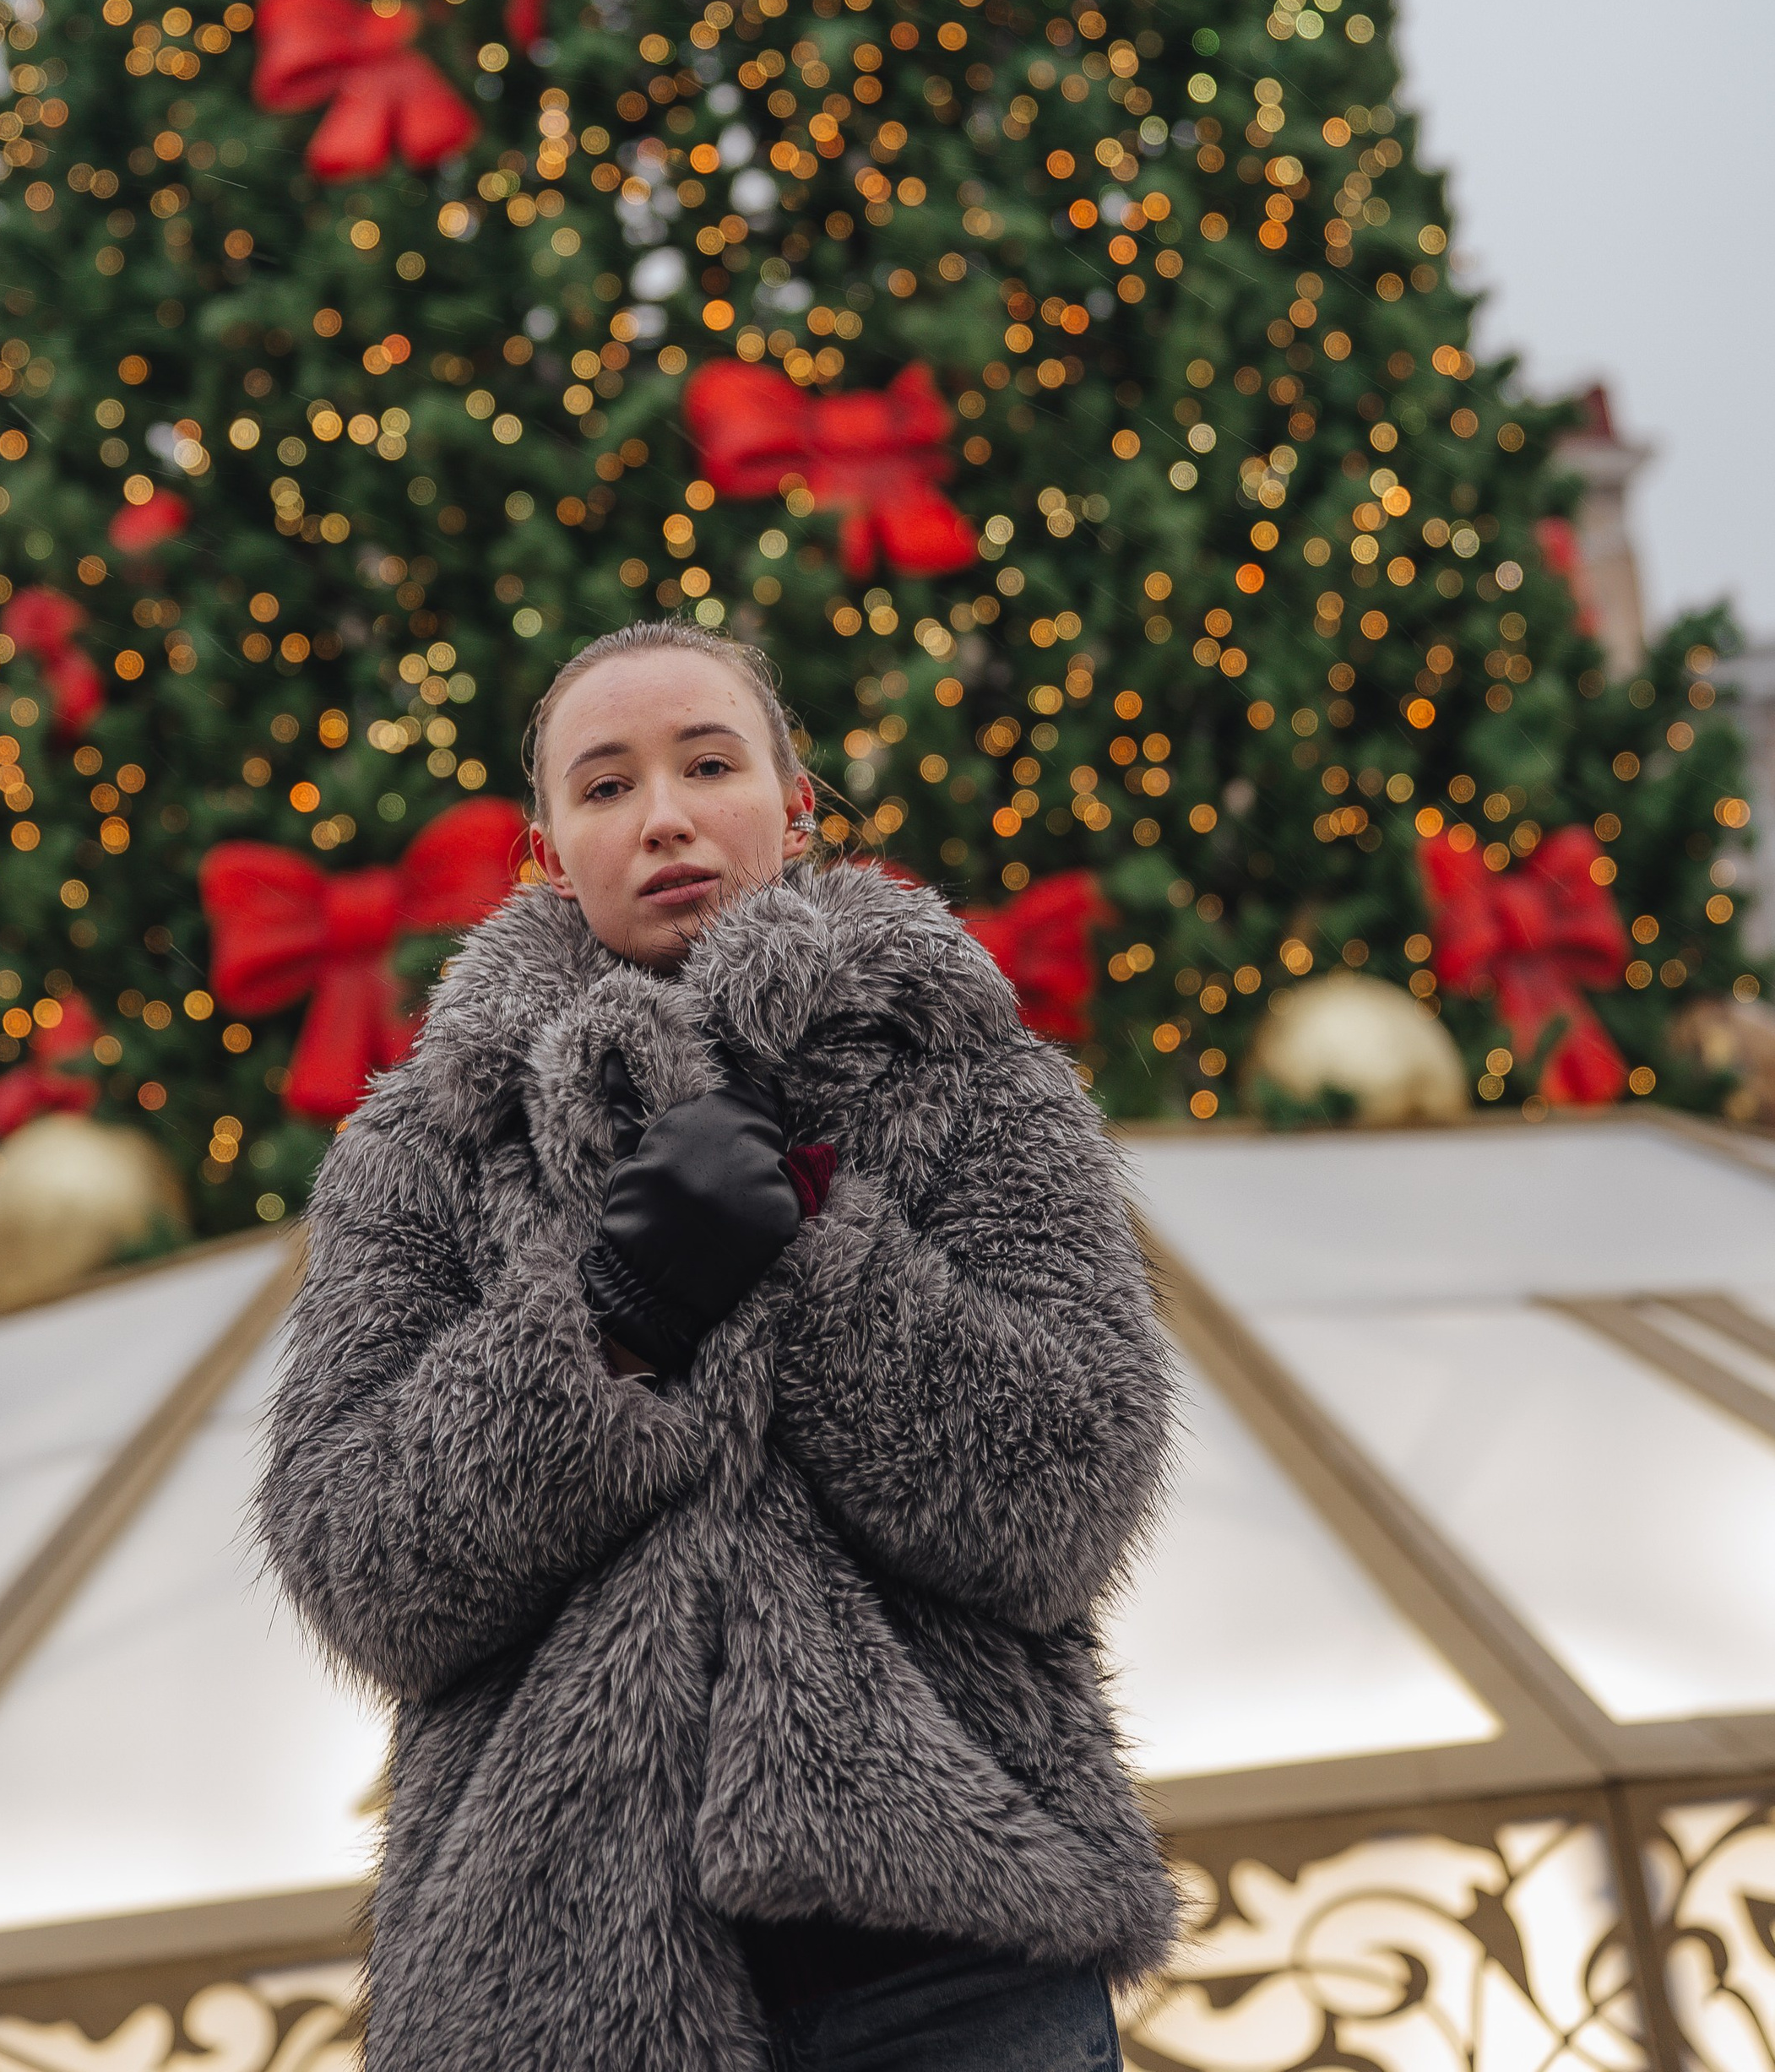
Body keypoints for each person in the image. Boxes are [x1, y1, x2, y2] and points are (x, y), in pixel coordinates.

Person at [259, 622, 1175, 2072]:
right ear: (547, 850)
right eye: (607, 786)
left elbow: (1061, 1500)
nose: (666, 815)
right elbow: (360, 1564)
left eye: (708, 763)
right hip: (551, 1991)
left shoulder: (977, 1082)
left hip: (958, 1961)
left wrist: (815, 1257)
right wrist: (618, 1323)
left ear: (796, 804)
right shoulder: (423, 1148)